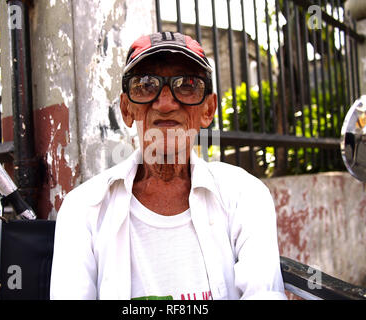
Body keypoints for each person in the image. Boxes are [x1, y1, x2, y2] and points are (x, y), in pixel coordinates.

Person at [50, 31, 287, 300]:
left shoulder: (245, 195)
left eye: (187, 85)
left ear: (208, 109)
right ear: (127, 109)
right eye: (146, 85)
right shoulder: (83, 209)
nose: (165, 103)